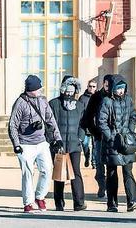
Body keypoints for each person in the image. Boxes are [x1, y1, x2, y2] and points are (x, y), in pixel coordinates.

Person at [8, 75, 64, 213]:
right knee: (28, 173)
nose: (41, 89)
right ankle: (28, 202)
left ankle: (40, 196)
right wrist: (16, 144)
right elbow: (12, 125)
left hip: (42, 142)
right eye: (38, 88)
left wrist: (58, 138)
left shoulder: (43, 100)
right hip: (25, 144)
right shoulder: (20, 103)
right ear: (31, 89)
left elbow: (51, 120)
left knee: (47, 170)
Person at [97, 75, 136, 213]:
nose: (120, 91)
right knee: (111, 173)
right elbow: (101, 121)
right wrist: (110, 137)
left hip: (126, 141)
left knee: (128, 172)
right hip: (112, 143)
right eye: (118, 88)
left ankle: (132, 201)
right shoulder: (106, 101)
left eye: (122, 88)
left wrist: (130, 131)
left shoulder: (128, 100)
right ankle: (112, 203)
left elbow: (133, 116)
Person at [48, 76, 87, 212]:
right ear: (62, 89)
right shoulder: (54, 104)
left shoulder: (80, 105)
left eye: (72, 91)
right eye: (67, 90)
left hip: (75, 145)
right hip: (58, 144)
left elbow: (83, 124)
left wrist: (80, 138)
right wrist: (53, 140)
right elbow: (48, 125)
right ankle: (59, 203)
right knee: (60, 173)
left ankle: (79, 202)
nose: (69, 94)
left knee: (76, 173)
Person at [80, 75, 111, 198]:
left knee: (110, 164)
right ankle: (101, 185)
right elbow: (86, 117)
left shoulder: (114, 96)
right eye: (107, 84)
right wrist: (94, 131)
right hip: (98, 134)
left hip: (111, 137)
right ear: (103, 84)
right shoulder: (95, 97)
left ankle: (109, 187)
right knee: (99, 163)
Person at [78, 78, 97, 168]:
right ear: (87, 87)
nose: (92, 88)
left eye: (94, 87)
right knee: (85, 144)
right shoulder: (82, 98)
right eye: (90, 86)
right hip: (85, 126)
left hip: (96, 126)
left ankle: (94, 162)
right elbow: (79, 111)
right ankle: (87, 156)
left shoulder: (99, 97)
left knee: (95, 146)